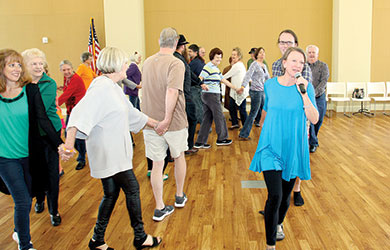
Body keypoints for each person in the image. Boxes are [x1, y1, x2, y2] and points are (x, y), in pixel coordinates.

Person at [59, 47, 162, 250]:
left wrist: (156, 123)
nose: (128, 66)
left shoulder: (113, 86)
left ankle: (97, 240)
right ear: (116, 65)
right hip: (110, 154)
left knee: (111, 194)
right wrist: (69, 145)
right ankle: (140, 237)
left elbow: (132, 114)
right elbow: (79, 115)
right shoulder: (101, 87)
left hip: (113, 153)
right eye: (125, 63)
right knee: (132, 188)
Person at [249, 47, 319, 250]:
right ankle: (270, 245)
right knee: (275, 195)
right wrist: (260, 131)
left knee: (286, 196)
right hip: (271, 146)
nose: (298, 65)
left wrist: (303, 93)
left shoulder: (306, 87)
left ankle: (279, 223)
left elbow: (314, 118)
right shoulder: (270, 85)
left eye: (301, 62)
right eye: (294, 61)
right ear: (284, 63)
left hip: (293, 148)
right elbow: (266, 110)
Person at [0, 49, 62, 250]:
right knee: (23, 200)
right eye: (12, 65)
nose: (17, 69)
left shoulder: (31, 90)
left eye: (19, 64)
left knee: (28, 196)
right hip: (5, 158)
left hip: (29, 155)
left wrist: (59, 145)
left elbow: (43, 119)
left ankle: (19, 231)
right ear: (1, 68)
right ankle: (25, 245)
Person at [141, 27, 189, 222]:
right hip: (173, 122)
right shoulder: (176, 63)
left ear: (159, 40)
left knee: (157, 164)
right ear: (176, 42)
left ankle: (160, 207)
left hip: (150, 122)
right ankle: (179, 196)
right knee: (179, 157)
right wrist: (167, 119)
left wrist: (157, 122)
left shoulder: (147, 62)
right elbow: (172, 91)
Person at [21, 48, 63, 226]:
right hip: (29, 134)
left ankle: (54, 210)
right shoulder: (20, 84)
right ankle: (39, 199)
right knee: (34, 170)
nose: (39, 67)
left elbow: (40, 110)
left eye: (41, 63)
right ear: (26, 66)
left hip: (49, 133)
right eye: (34, 64)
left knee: (52, 173)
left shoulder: (49, 83)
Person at [271, 29, 312, 206]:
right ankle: (276, 200)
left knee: (295, 158)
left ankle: (296, 189)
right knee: (277, 161)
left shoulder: (304, 67)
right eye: (282, 42)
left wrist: (307, 127)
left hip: (299, 120)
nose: (285, 45)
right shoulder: (274, 65)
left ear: (295, 44)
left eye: (289, 42)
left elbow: (307, 96)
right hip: (279, 121)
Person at [194, 48, 238, 149]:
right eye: (217, 57)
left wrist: (235, 88)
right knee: (219, 116)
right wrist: (203, 85)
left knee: (207, 119)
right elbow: (199, 79)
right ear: (212, 57)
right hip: (211, 95)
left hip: (211, 95)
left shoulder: (216, 68)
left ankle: (200, 142)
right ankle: (222, 138)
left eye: (220, 57)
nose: (219, 59)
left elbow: (223, 80)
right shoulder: (208, 67)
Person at [174, 35, 206, 155]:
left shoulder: (176, 58)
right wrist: (200, 82)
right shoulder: (179, 59)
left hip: (180, 94)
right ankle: (187, 146)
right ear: (182, 46)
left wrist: (199, 82)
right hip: (184, 95)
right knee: (191, 119)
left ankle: (181, 147)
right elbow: (190, 74)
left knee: (183, 121)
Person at [58, 60, 87, 171]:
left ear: (72, 68)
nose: (66, 72)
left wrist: (54, 105)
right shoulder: (67, 79)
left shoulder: (75, 79)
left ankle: (81, 159)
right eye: (64, 70)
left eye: (68, 69)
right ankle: (83, 151)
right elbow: (67, 90)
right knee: (68, 135)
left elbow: (66, 95)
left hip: (79, 110)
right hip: (71, 110)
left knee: (77, 137)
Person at [238, 47, 270, 140]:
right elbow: (248, 75)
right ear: (256, 55)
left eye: (263, 53)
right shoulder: (254, 64)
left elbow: (268, 78)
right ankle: (243, 134)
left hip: (262, 91)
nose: (262, 54)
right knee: (253, 113)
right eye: (260, 53)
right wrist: (243, 86)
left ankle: (265, 131)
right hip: (255, 91)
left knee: (265, 110)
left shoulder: (264, 65)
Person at [306, 45, 329, 153]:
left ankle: (313, 137)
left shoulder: (323, 66)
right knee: (310, 120)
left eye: (313, 52)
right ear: (307, 54)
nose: (311, 54)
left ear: (317, 54)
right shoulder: (303, 66)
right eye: (309, 52)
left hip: (319, 97)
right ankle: (313, 142)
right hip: (306, 97)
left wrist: (313, 93)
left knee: (318, 119)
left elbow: (324, 82)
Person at [223, 47, 248, 129]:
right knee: (232, 107)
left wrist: (219, 77)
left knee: (242, 110)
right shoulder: (238, 64)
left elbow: (227, 75)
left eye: (234, 55)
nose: (233, 56)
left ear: (239, 56)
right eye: (232, 54)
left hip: (240, 91)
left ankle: (246, 126)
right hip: (235, 91)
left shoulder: (238, 65)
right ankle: (235, 123)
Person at [188, 44, 205, 124]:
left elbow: (189, 75)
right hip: (199, 87)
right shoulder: (200, 61)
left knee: (198, 108)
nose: (189, 53)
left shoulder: (194, 63)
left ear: (196, 52)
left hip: (195, 88)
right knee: (200, 107)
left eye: (190, 51)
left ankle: (205, 128)